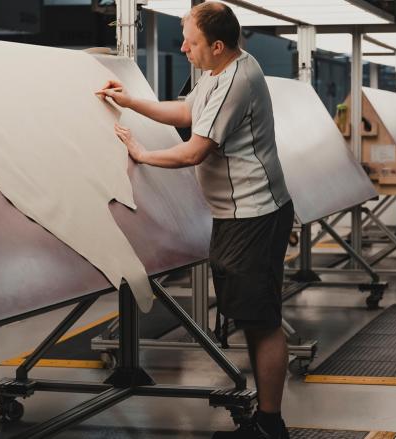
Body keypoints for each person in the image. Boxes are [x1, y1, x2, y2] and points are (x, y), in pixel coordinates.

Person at [97, 3, 293, 438]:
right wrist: (130, 102)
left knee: (262, 322)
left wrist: (143, 154)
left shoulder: (235, 82)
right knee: (254, 317)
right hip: (240, 214)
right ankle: (266, 420)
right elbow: (187, 112)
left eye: (191, 41)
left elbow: (193, 150)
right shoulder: (222, 70)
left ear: (218, 46)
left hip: (254, 216)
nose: (183, 47)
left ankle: (270, 425)